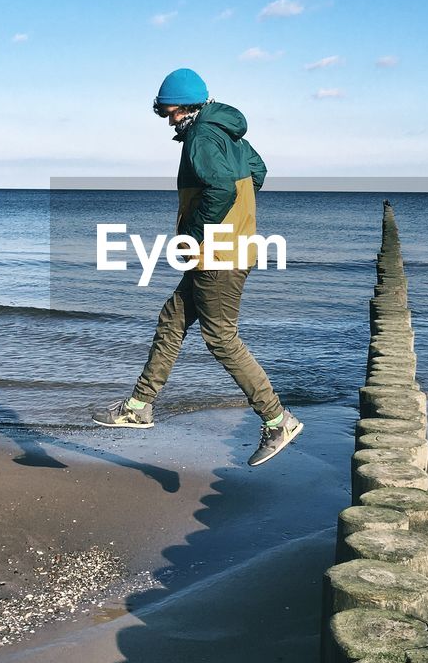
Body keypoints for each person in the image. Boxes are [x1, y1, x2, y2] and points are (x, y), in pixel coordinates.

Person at [92, 67, 303, 467]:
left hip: (218, 256)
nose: (169, 121)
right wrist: (234, 218)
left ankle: (277, 420)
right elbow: (257, 172)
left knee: (221, 338)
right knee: (172, 320)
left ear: (188, 106)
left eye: (170, 113)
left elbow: (221, 188)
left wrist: (194, 230)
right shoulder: (229, 134)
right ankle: (139, 406)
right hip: (226, 250)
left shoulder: (202, 137)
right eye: (165, 114)